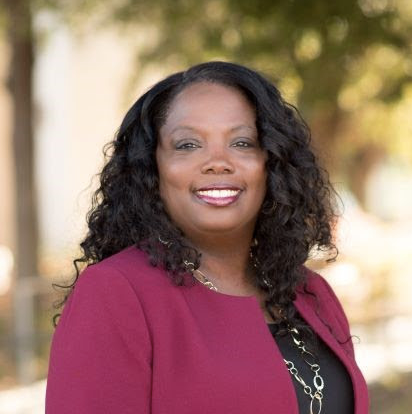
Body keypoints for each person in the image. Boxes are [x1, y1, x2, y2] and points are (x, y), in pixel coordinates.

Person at [45, 61, 369, 413]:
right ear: (151, 168)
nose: (218, 162)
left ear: (271, 164)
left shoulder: (310, 293)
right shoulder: (116, 293)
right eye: (187, 144)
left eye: (242, 142)